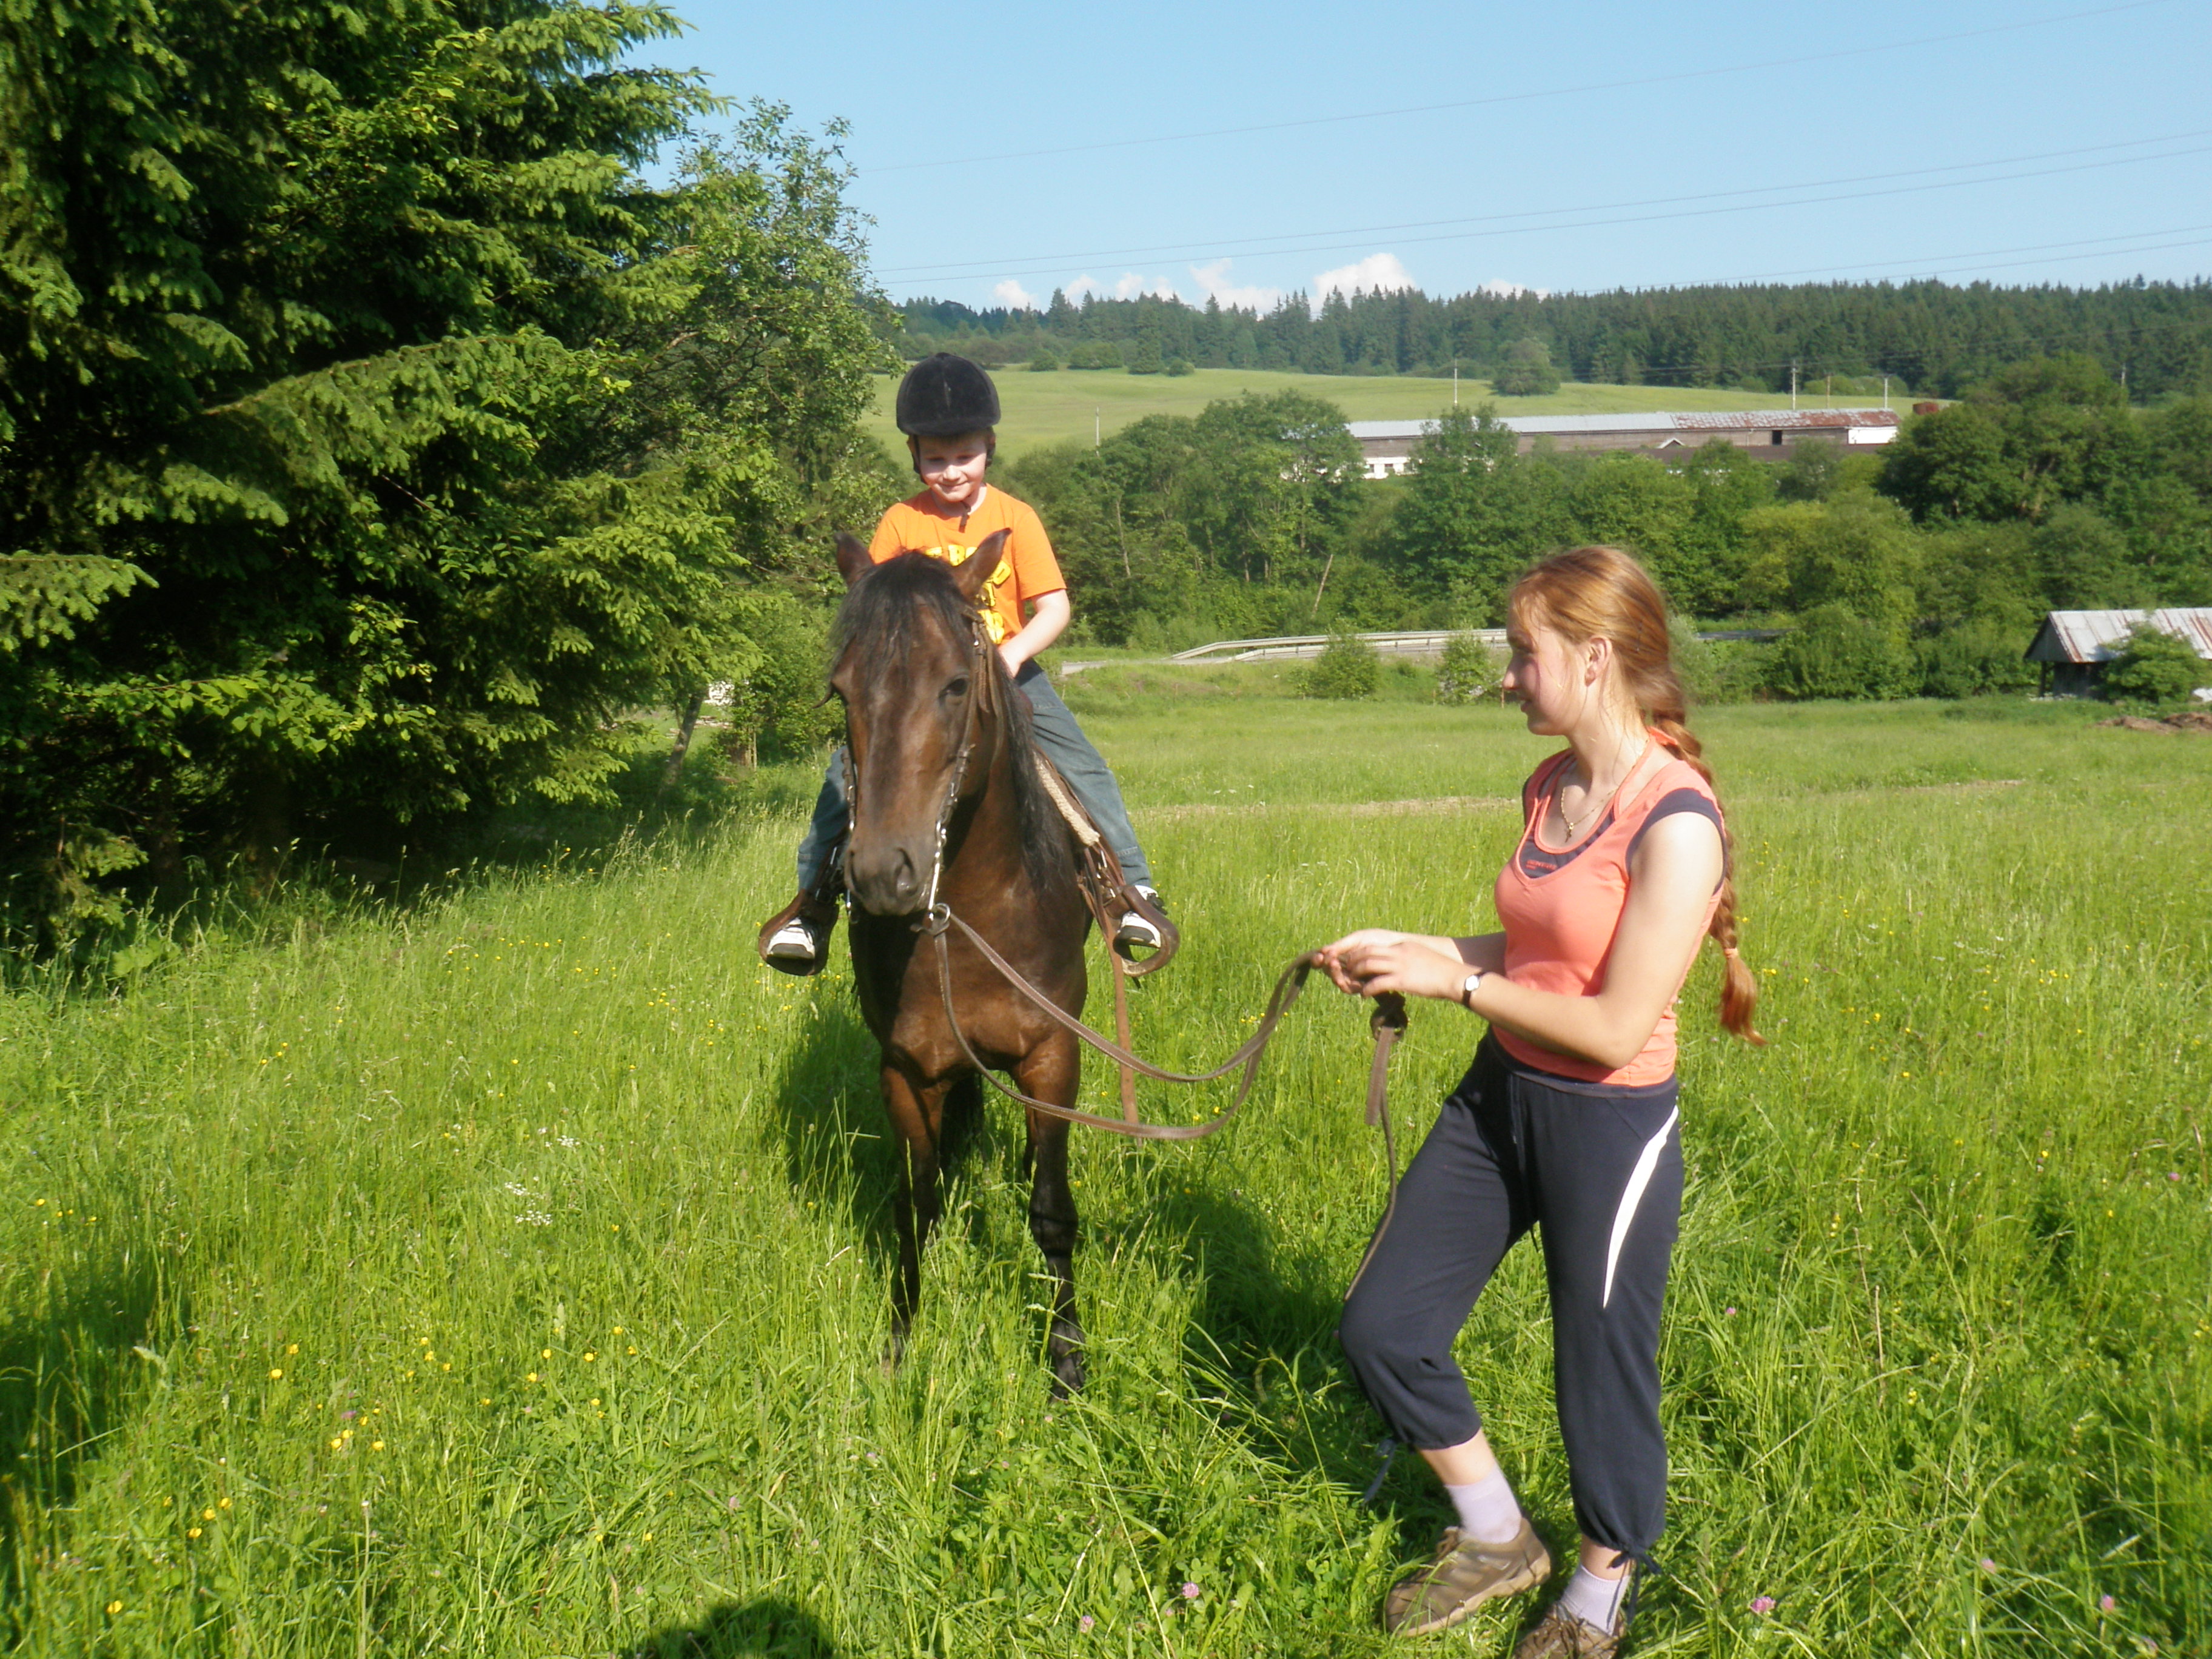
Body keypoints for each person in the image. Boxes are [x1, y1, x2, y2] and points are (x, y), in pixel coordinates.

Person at [1320, 546, 1761, 1654]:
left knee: (1598, 1368)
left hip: (1606, 1122)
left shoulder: (1677, 823)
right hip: (1501, 1093)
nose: (1509, 676)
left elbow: (1613, 1024)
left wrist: (1457, 986)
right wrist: (1416, 948)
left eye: (1525, 654)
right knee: (1384, 1325)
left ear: (1594, 658)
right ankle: (1494, 1535)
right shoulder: (1551, 784)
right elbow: (1536, 948)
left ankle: (1598, 1596)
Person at [758, 353, 1164, 973]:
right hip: (921, 685)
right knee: (847, 773)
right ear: (915, 456)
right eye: (936, 459)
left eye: (964, 456)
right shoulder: (902, 521)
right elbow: (876, 607)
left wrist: (1010, 655)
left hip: (1008, 671)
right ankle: (812, 905)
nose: (950, 472)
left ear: (989, 449)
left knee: (1083, 765)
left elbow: (1054, 608)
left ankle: (1130, 892)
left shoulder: (1015, 518)